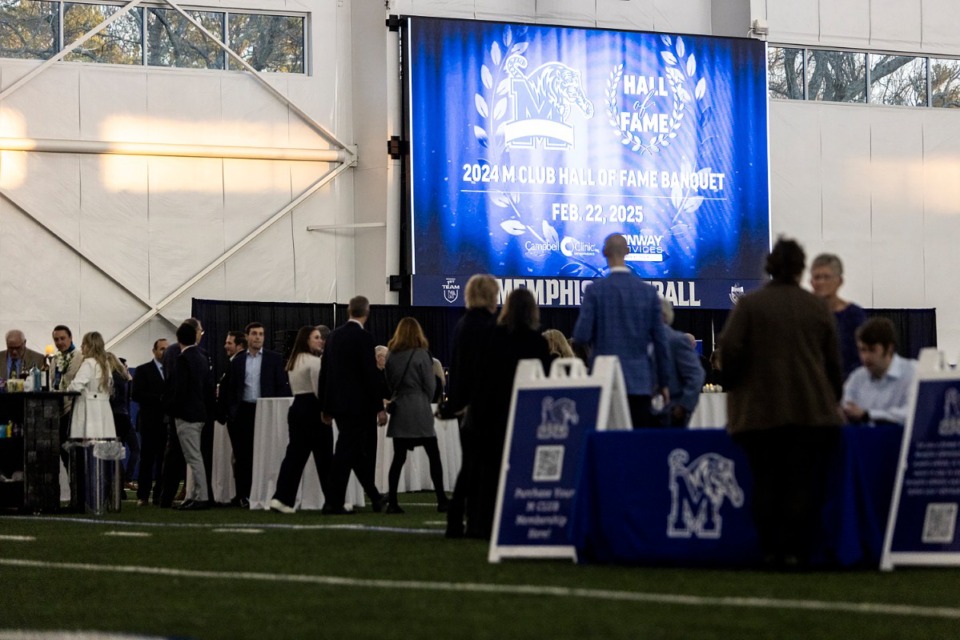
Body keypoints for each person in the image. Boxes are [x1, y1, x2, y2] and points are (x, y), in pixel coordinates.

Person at [719, 237, 843, 570]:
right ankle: (796, 551)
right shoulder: (817, 308)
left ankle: (770, 550)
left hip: (758, 414)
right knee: (802, 483)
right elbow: (834, 364)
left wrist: (735, 385)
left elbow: (727, 352)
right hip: (809, 412)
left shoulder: (750, 306)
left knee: (766, 481)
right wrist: (832, 398)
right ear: (802, 268)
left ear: (769, 265)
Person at [469, 288, 552, 539]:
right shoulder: (537, 341)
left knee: (489, 471)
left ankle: (483, 525)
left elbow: (481, 376)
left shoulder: (492, 336)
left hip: (492, 412)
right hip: (524, 414)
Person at [572, 233, 670, 428]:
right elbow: (661, 342)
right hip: (640, 382)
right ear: (628, 252)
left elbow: (581, 335)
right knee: (638, 444)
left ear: (604, 253)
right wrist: (664, 382)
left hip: (604, 379)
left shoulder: (594, 291)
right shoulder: (648, 293)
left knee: (607, 444)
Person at [440, 274, 499, 538]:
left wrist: (458, 403)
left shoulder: (462, 325)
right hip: (483, 406)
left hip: (464, 406)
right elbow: (486, 371)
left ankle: (463, 519)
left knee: (471, 464)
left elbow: (460, 369)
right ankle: (471, 519)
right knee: (479, 466)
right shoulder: (490, 326)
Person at [318, 296, 387, 514]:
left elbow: (325, 373)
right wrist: (379, 407)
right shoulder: (364, 338)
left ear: (349, 311)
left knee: (353, 452)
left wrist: (325, 407)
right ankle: (333, 502)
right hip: (359, 407)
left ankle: (375, 497)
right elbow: (369, 374)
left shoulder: (334, 337)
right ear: (366, 313)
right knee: (345, 453)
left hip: (338, 405)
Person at [383, 317, 448, 514]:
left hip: (400, 407)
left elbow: (390, 383)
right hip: (420, 408)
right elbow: (431, 385)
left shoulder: (391, 356)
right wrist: (424, 399)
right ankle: (441, 500)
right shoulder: (422, 354)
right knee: (433, 455)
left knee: (398, 458)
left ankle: (393, 502)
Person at [224, 322, 290, 508]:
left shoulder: (274, 359)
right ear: (247, 336)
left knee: (265, 454)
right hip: (243, 411)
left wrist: (278, 412)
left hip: (265, 411)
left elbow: (280, 387)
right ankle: (242, 495)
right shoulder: (237, 361)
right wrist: (231, 412)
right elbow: (230, 389)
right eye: (254, 333)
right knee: (242, 456)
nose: (258, 337)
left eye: (261, 334)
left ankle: (265, 492)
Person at [269, 326, 332, 514]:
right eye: (316, 338)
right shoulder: (314, 362)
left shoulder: (294, 361)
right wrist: (327, 411)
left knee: (294, 457)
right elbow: (319, 391)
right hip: (313, 410)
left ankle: (281, 498)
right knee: (325, 458)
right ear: (307, 340)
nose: (321, 340)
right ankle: (333, 499)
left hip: (297, 408)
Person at [169, 322, 214, 511]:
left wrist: (173, 409)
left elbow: (179, 390)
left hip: (187, 414)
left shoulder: (183, 359)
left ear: (179, 338)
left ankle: (201, 496)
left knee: (193, 457)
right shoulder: (202, 357)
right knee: (194, 456)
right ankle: (195, 495)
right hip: (200, 411)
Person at [842, 317, 917, 427]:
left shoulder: (913, 372)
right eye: (862, 350)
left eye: (872, 350)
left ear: (889, 349)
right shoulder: (857, 377)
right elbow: (846, 407)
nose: (865, 357)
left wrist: (868, 415)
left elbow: (913, 413)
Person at [810, 253, 867, 380]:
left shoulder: (854, 315)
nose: (821, 282)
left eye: (826, 277)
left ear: (839, 281)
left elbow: (861, 357)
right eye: (817, 277)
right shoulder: (804, 314)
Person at [658, 299, 705, 428]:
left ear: (663, 315)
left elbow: (696, 375)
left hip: (671, 413)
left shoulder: (677, 340)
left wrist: (683, 406)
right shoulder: (640, 339)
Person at [132, 338, 168, 506]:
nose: (164, 352)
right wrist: (159, 399)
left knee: (163, 460)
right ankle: (143, 495)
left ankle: (159, 495)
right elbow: (136, 394)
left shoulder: (173, 370)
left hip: (167, 422)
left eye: (167, 349)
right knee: (147, 460)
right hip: (149, 422)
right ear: (154, 351)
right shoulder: (143, 370)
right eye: (161, 349)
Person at [67, 332, 116, 439]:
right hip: (103, 409)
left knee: (87, 446)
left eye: (83, 344)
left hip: (88, 411)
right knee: (101, 446)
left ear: (90, 346)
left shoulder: (88, 363)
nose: (81, 347)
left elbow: (76, 386)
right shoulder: (105, 364)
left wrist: (68, 389)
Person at [53, 325, 83, 467]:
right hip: (57, 410)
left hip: (74, 408)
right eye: (56, 339)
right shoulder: (54, 359)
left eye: (62, 338)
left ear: (70, 338)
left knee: (74, 452)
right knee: (62, 452)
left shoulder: (80, 357)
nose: (59, 342)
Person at [107, 353, 137, 491]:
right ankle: (124, 481)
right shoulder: (124, 378)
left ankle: (120, 484)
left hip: (114, 417)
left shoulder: (112, 378)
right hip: (124, 416)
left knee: (115, 453)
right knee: (126, 451)